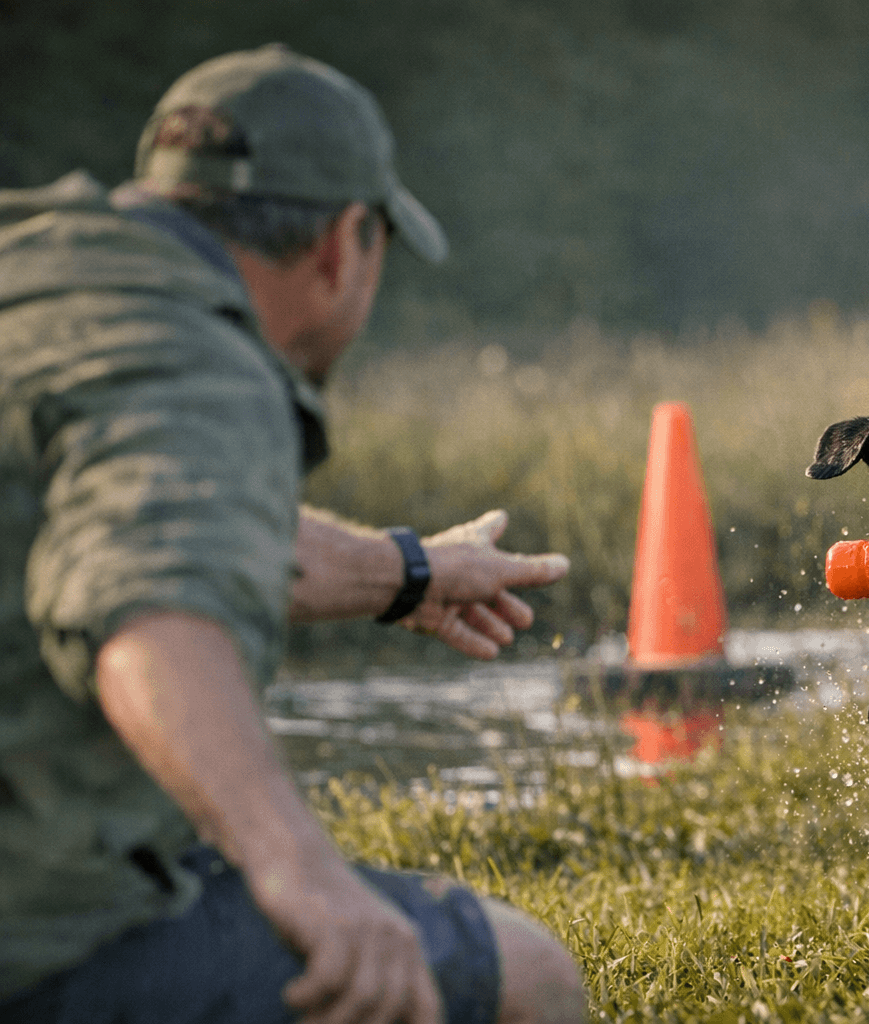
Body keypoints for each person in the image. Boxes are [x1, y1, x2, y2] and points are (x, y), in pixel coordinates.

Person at [0, 45, 585, 1024]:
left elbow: (150, 522)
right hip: (28, 936)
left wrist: (409, 572)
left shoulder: (45, 283)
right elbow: (153, 613)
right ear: (346, 242)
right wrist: (300, 874)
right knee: (528, 977)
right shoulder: (200, 361)